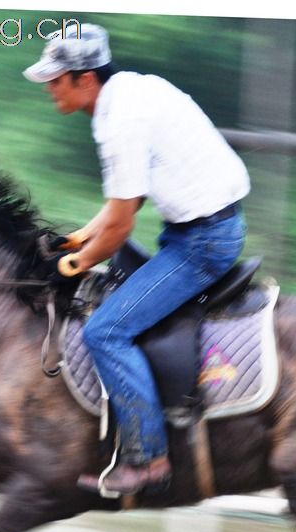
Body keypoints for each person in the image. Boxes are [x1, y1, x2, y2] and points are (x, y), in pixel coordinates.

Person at [23, 23, 250, 495]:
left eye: (55, 78)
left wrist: (74, 264)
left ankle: (148, 460)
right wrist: (81, 237)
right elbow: (127, 199)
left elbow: (123, 223)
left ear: (85, 78)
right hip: (199, 230)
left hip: (202, 243)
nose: (48, 88)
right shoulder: (131, 91)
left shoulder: (119, 123)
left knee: (106, 330)